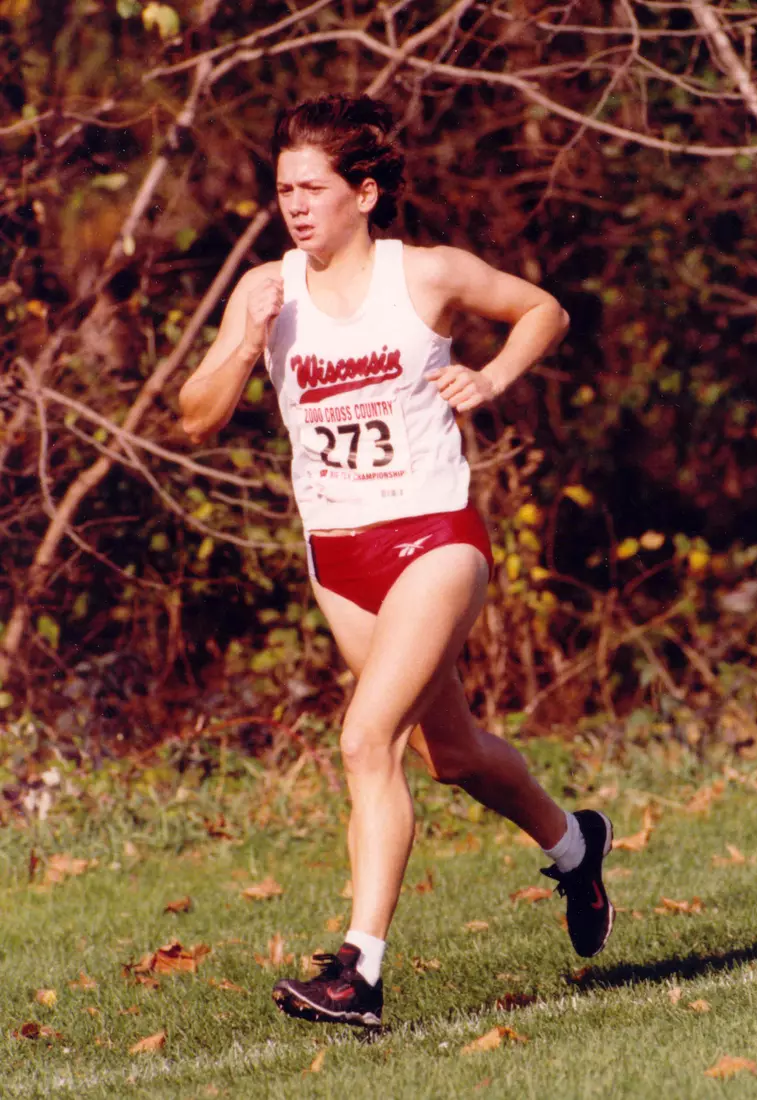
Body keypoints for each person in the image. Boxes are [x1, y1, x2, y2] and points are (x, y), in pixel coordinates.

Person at [179, 94, 614, 1031]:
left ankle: (358, 972)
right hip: (338, 556)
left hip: (434, 540)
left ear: (363, 193)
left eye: (312, 188)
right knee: (448, 753)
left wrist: (491, 376)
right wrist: (246, 340)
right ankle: (576, 846)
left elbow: (543, 308)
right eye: (283, 187)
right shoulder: (267, 289)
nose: (294, 205)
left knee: (362, 740)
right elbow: (193, 416)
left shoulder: (425, 275)